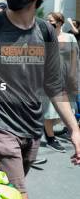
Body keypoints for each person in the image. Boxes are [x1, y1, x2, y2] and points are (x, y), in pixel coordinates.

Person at [0, 0, 80, 199]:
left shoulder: (45, 31)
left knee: (6, 196)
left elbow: (54, 85)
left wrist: (74, 130)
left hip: (32, 130)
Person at [42, 12, 78, 152]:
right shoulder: (44, 38)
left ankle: (47, 128)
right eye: (46, 20)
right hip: (49, 78)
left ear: (59, 22)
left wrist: (73, 75)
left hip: (66, 77)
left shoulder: (70, 37)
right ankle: (50, 137)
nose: (48, 22)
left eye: (50, 20)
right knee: (50, 111)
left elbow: (75, 57)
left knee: (67, 110)